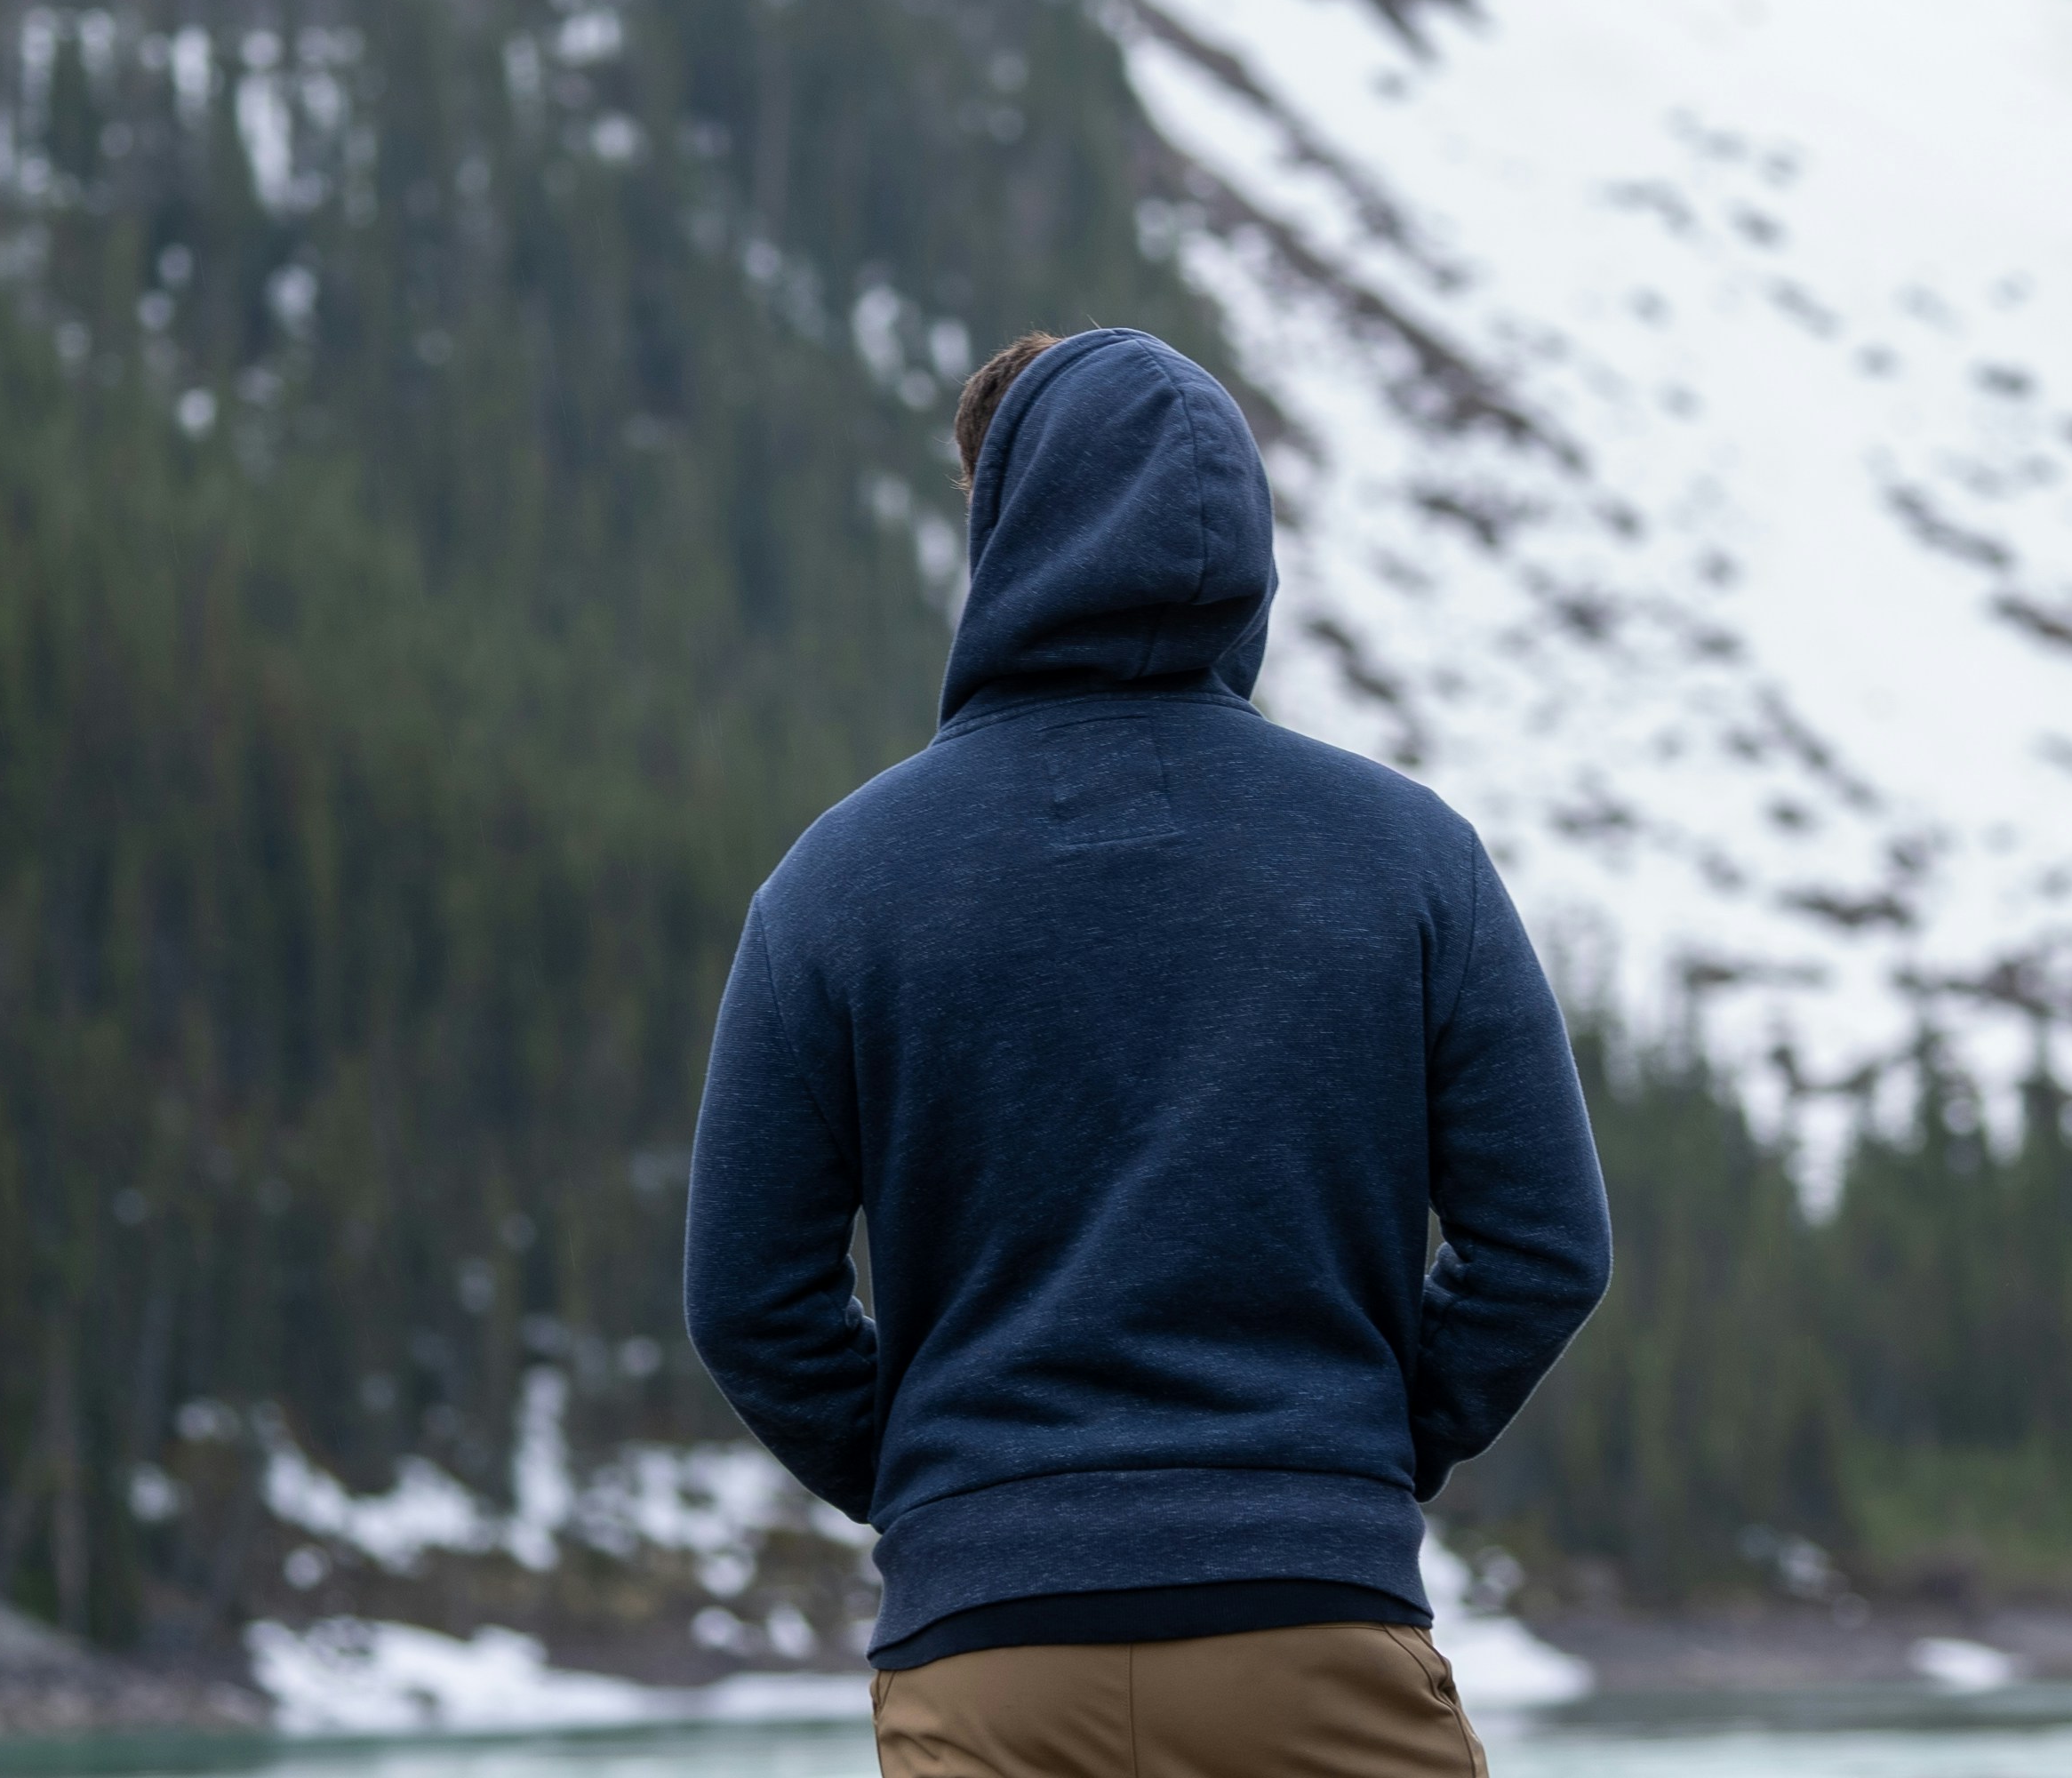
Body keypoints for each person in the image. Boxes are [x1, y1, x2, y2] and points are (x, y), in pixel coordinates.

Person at [685, 327, 1612, 1777]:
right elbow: (1548, 1247)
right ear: (1248, 546)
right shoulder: (1411, 856)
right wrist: (1345, 1456)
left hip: (988, 1653)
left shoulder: (838, 880)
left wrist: (955, 1490)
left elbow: (749, 1300)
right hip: (1315, 1623)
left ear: (1003, 536)